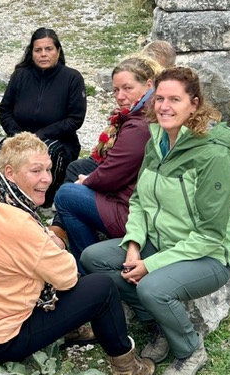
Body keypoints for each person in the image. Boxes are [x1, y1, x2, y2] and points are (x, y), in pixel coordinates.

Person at [0, 132, 154, 375]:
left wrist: (46, 240)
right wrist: (56, 243)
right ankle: (127, 370)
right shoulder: (21, 227)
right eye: (36, 171)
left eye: (48, 169)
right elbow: (67, 277)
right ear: (10, 172)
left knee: (47, 273)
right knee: (103, 287)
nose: (47, 179)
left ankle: (72, 327)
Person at [81, 66, 230, 375]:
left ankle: (191, 349)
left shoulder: (214, 156)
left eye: (175, 99)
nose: (164, 107)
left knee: (152, 286)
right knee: (93, 259)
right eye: (160, 99)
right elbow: (140, 200)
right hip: (160, 242)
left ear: (194, 104)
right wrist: (134, 245)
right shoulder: (157, 141)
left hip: (208, 255)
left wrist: (149, 265)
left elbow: (209, 235)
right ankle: (162, 325)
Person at [52, 57, 162, 268]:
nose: (120, 96)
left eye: (128, 88)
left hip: (134, 213)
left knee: (66, 195)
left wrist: (86, 181)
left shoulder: (140, 125)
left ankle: (86, 268)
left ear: (149, 84)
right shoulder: (147, 113)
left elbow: (112, 174)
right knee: (75, 177)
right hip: (139, 202)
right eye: (116, 90)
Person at [0, 27, 86, 207]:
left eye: (48, 49)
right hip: (21, 136)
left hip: (58, 139)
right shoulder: (21, 75)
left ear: (58, 51)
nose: (43, 54)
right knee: (2, 150)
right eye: (38, 50)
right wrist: (18, 135)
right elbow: (5, 110)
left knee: (46, 154)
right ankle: (7, 195)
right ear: (32, 53)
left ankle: (43, 200)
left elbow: (75, 118)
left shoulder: (72, 78)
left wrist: (40, 136)